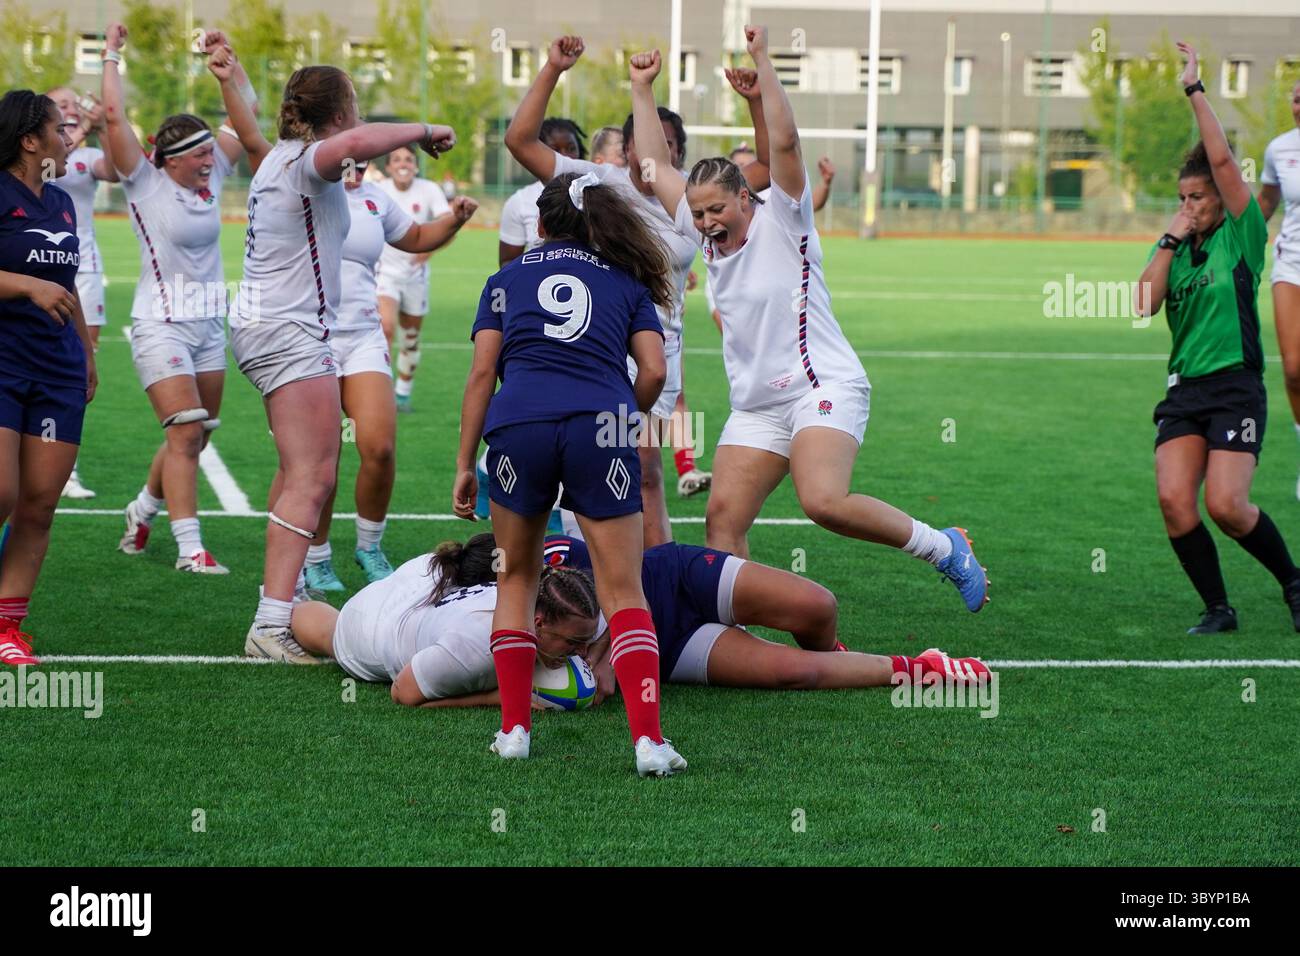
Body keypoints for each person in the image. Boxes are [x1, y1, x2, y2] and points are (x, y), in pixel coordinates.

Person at [628, 32, 988, 612]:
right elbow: (652, 168)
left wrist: (765, 65)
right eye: (698, 213)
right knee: (722, 522)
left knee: (822, 500)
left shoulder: (784, 217)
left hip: (821, 385)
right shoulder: (702, 229)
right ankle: (735, 639)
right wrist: (642, 90)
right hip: (756, 405)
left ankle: (943, 547)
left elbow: (788, 141)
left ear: (747, 197)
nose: (707, 222)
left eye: (717, 209)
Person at [452, 169, 686, 776]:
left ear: (542, 225)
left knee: (517, 580)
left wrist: (463, 461)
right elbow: (656, 373)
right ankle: (648, 743)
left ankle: (513, 731)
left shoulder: (504, 279)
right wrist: (619, 419)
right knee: (623, 589)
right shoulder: (628, 281)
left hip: (517, 426)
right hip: (598, 426)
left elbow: (482, 375)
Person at [222, 60, 455, 662]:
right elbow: (352, 144)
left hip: (272, 327)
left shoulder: (280, 155)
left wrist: (235, 75)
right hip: (289, 330)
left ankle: (285, 598)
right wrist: (423, 128)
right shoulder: (308, 160)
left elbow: (266, 128)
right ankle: (271, 621)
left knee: (301, 468)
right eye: (353, 102)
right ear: (338, 112)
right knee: (315, 475)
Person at [288, 533, 989, 707]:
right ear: (533, 627)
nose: (582, 645)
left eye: (586, 633)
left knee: (816, 606)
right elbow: (411, 689)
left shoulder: (546, 560)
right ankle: (920, 667)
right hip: (670, 640)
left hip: (672, 578)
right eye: (572, 642)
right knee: (792, 671)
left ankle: (845, 651)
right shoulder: (490, 633)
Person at [505, 36, 700, 549]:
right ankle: (587, 572)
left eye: (672, 144)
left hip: (660, 354)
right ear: (628, 146)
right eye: (649, 141)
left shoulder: (689, 198)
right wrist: (551, 67)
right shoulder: (598, 181)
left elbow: (765, 174)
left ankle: (657, 576)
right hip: (596, 347)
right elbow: (521, 141)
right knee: (602, 458)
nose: (661, 153)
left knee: (646, 467)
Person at [1136, 43, 1300, 634]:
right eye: (1181, 199)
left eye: (1196, 198)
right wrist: (1168, 236)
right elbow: (1141, 302)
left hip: (1234, 388)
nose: (1188, 207)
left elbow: (1226, 164)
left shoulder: (1241, 237)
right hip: (1185, 393)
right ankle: (1219, 608)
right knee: (1175, 501)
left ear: (1219, 201)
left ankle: (1294, 582)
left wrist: (1194, 89)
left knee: (1227, 506)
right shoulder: (1177, 249)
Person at [103, 24, 251, 574]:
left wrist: (227, 64)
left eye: (212, 152)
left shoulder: (211, 178)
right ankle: (191, 549)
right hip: (159, 325)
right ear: (169, 160)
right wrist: (112, 54)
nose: (211, 160)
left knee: (195, 437)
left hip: (209, 326)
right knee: (186, 432)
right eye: (199, 156)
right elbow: (115, 118)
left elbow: (246, 117)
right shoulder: (145, 183)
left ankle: (142, 509)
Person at [303, 159, 478, 592]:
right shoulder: (302, 187)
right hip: (310, 335)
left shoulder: (375, 198)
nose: (355, 169)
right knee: (324, 455)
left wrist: (454, 219)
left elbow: (417, 237)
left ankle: (369, 546)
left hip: (362, 336)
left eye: (362, 162)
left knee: (379, 447)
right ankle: (317, 557)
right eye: (349, 160)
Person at [0, 90, 98, 665]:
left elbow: (68, 280)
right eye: (60, 130)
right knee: (4, 492)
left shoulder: (62, 201)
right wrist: (25, 286)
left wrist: (85, 348)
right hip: (4, 362)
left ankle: (7, 628)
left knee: (38, 505)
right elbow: (40, 284)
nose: (69, 138)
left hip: (57, 368)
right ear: (30, 140)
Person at [49, 86, 116, 501]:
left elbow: (115, 168)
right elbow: (46, 170)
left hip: (84, 269)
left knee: (79, 364)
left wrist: (107, 124)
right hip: (36, 265)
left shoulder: (84, 156)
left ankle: (66, 465)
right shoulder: (38, 159)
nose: (72, 109)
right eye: (62, 105)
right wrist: (87, 123)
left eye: (76, 103)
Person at [375, 144, 454, 412]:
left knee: (410, 338)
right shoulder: (379, 190)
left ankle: (403, 394)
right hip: (384, 272)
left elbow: (450, 224)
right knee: (384, 328)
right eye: (396, 159)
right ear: (388, 167)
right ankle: (380, 392)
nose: (403, 163)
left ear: (416, 166)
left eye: (408, 159)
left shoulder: (429, 189)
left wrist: (428, 251)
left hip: (415, 275)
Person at [1259, 77, 1300, 498]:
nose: (1299, 106)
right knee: (1293, 369)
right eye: (1296, 99)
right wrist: (1236, 236)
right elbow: (1267, 202)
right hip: (1291, 265)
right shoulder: (1279, 148)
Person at [497, 116, 587, 267]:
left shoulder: (597, 195)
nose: (565, 156)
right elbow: (508, 261)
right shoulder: (520, 201)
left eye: (571, 148)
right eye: (555, 150)